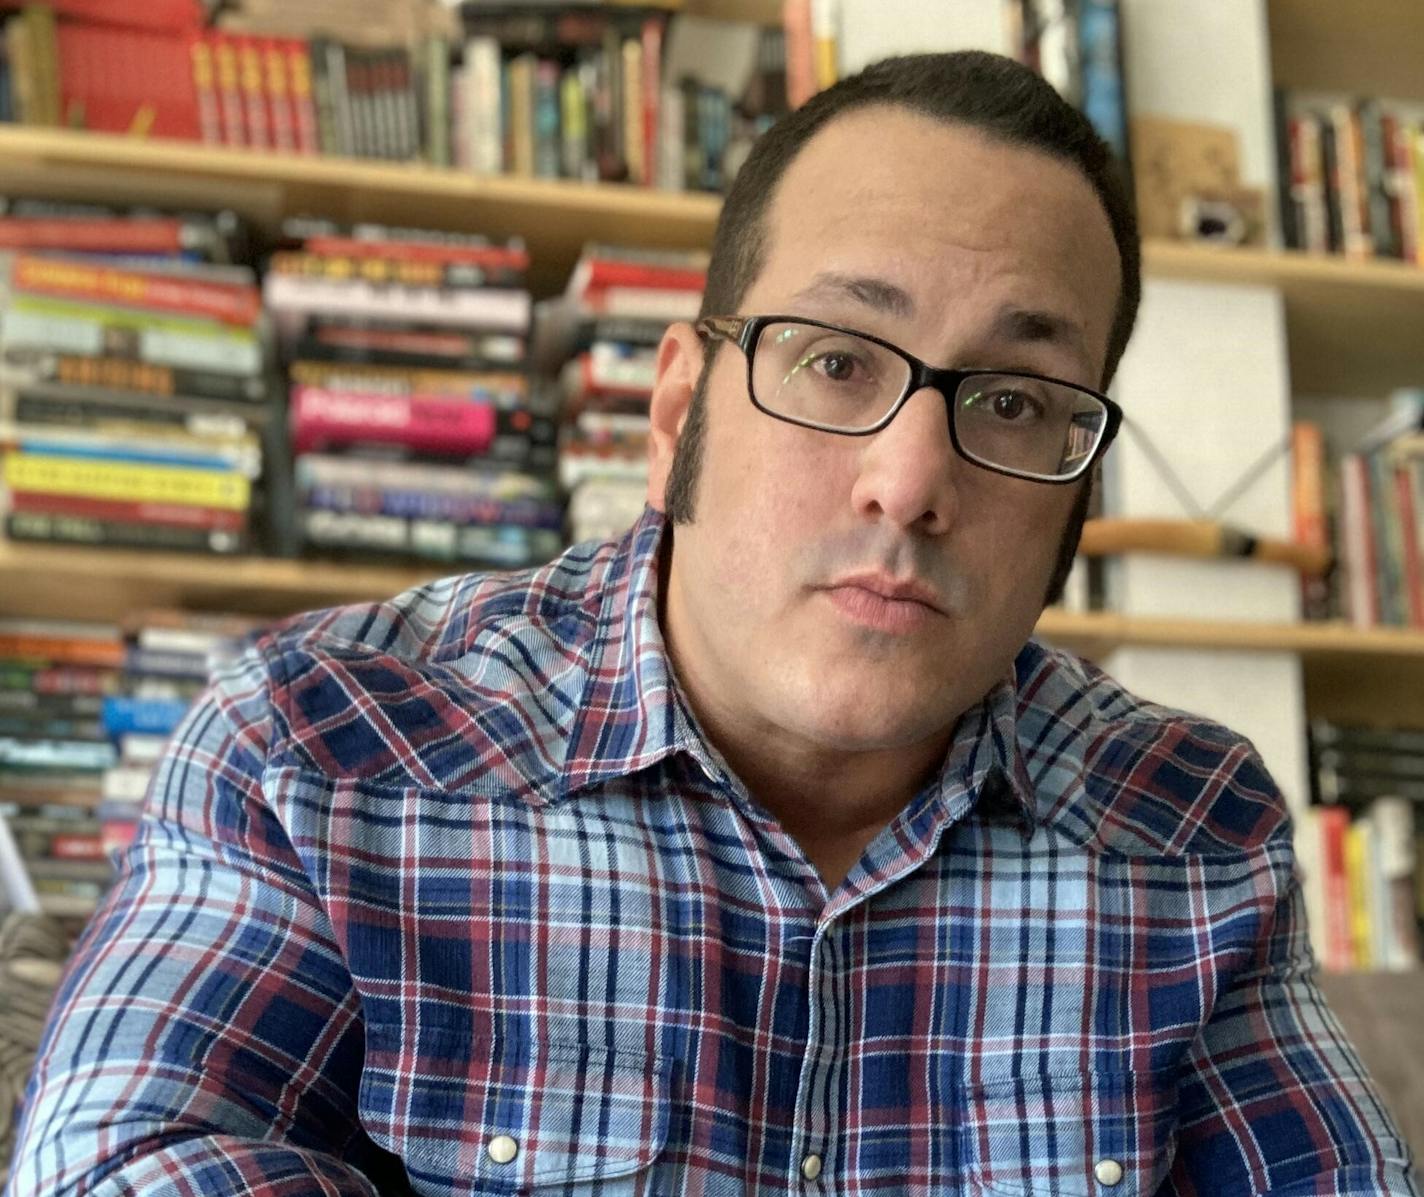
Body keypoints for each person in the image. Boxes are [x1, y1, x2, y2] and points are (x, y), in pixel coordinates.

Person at [8, 51, 1417, 1197]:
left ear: (1077, 488)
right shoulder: (322, 741)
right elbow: (122, 1161)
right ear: (677, 407)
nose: (910, 478)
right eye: (833, 357)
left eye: (1014, 402)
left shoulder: (1187, 830)